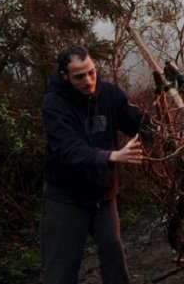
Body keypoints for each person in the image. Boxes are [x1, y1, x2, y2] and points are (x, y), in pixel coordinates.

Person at [40, 45, 149, 284]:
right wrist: (112, 156)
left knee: (114, 256)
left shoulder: (109, 94)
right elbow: (68, 150)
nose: (88, 80)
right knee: (61, 268)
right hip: (66, 198)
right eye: (79, 76)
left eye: (91, 72)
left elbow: (137, 124)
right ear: (64, 76)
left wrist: (163, 122)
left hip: (103, 195)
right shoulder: (54, 104)